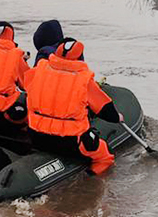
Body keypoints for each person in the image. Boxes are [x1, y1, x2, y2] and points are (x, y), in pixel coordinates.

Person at [23, 38, 119, 174]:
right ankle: (90, 183)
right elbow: (106, 111)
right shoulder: (84, 81)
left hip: (36, 136)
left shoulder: (38, 70)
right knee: (105, 156)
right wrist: (117, 117)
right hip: (70, 142)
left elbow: (25, 86)